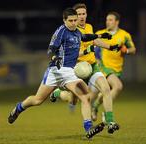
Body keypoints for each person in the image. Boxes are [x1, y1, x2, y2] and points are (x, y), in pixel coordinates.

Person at [7, 8, 112, 139]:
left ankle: (88, 128)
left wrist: (100, 36)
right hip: (56, 70)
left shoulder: (77, 32)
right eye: (70, 21)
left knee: (85, 96)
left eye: (75, 20)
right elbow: (51, 49)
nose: (74, 23)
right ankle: (18, 108)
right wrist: (54, 58)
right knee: (37, 100)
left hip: (68, 72)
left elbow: (85, 37)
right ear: (64, 20)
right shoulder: (61, 32)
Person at [50, 3, 120, 134]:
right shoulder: (71, 32)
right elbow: (74, 53)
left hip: (92, 66)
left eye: (84, 14)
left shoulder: (89, 27)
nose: (82, 17)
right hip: (77, 69)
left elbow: (94, 41)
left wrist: (110, 46)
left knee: (105, 88)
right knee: (73, 100)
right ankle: (57, 93)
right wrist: (88, 50)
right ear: (75, 16)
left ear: (86, 14)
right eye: (79, 14)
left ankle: (110, 122)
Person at [92, 11, 136, 121]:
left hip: (117, 69)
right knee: (118, 86)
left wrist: (126, 50)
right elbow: (94, 51)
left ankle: (95, 106)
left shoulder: (124, 35)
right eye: (107, 20)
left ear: (117, 22)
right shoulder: (100, 34)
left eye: (110, 20)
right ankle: (107, 113)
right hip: (103, 66)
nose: (108, 22)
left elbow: (133, 50)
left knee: (105, 92)